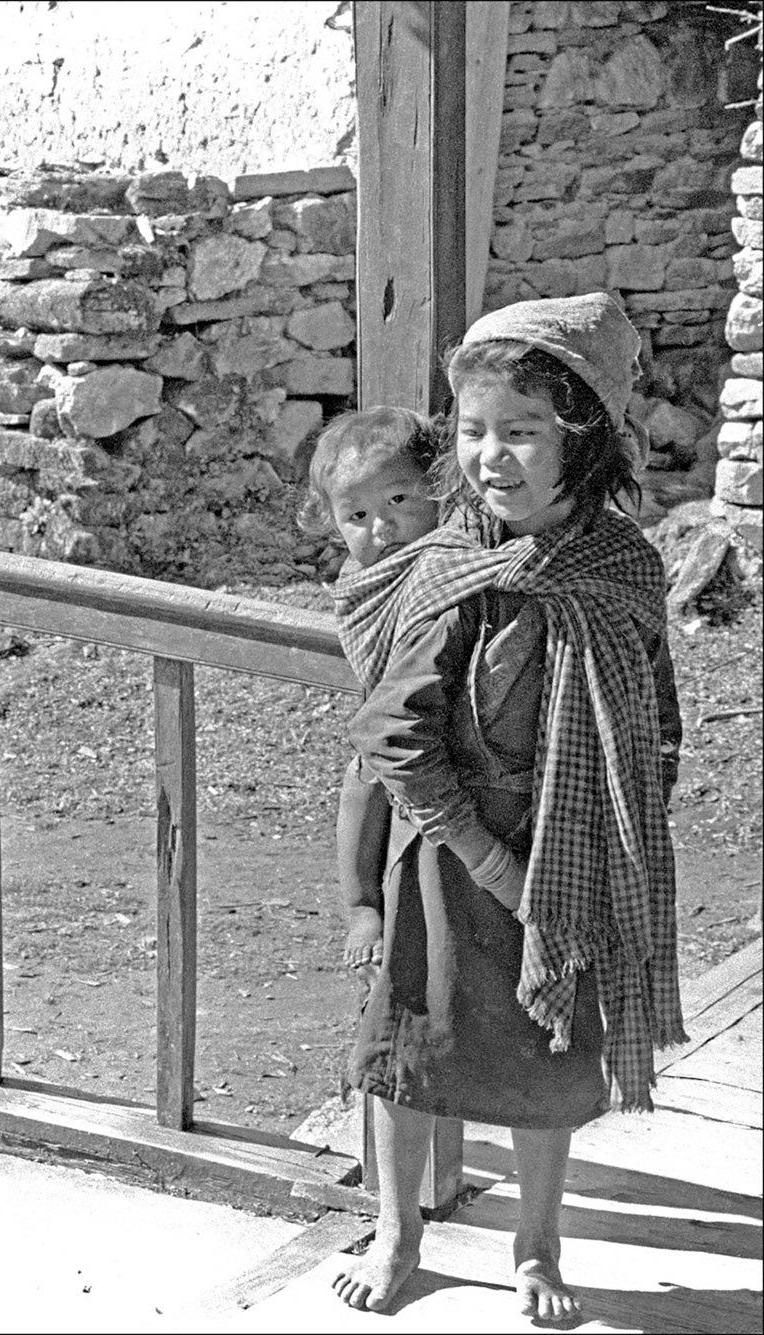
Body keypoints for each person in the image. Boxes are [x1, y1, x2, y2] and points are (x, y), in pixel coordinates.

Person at [328, 293, 684, 1321]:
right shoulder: (455, 570)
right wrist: (488, 858)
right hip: (450, 858)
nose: (491, 457)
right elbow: (395, 736)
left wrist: (618, 826)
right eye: (475, 431)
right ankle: (398, 1234)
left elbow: (655, 716)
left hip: (569, 858)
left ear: (586, 440)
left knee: (549, 1061)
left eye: (522, 431)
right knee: (409, 1051)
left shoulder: (621, 569)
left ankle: (537, 1247)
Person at [297, 407, 442, 978]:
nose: (381, 527)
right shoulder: (363, 581)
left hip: (440, 719)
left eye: (398, 500)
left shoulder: (450, 561)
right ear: (332, 524)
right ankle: (360, 907)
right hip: (386, 719)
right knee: (363, 784)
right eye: (357, 515)